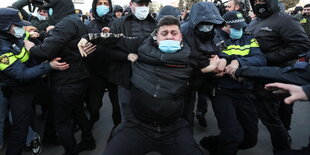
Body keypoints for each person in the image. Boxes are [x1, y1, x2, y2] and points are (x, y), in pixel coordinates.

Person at [78, 15, 220, 155]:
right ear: (156, 36)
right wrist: (87, 37)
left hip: (174, 129)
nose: (169, 37)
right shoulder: (141, 44)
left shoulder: (190, 54)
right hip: (137, 127)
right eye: (164, 33)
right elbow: (115, 39)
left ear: (181, 36)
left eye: (174, 33)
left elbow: (216, 60)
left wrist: (216, 65)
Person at [239, 0, 310, 153]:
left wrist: (267, 58)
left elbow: (301, 45)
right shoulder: (254, 22)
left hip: (280, 74)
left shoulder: (286, 20)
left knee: (272, 115)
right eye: (256, 1)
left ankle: (282, 147)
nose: (259, 3)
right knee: (275, 113)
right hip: (258, 74)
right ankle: (284, 137)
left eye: (262, 0)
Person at [23, 0, 93, 154]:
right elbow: (62, 37)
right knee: (78, 112)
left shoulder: (66, 23)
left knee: (61, 122)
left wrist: (31, 47)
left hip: (66, 80)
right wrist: (41, 34)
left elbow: (45, 51)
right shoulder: (74, 20)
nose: (48, 14)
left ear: (58, 9)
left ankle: (71, 151)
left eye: (50, 11)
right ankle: (89, 140)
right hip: (78, 77)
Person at [0, 8, 69, 155]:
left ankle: (50, 135)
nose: (21, 27)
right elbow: (22, 75)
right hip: (19, 91)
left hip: (35, 83)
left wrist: (49, 35)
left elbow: (35, 40)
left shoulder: (16, 35)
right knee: (20, 131)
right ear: (5, 26)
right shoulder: (2, 49)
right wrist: (48, 66)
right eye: (16, 25)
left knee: (55, 102)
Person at [200, 10, 266, 155]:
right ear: (224, 26)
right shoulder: (213, 38)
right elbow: (213, 59)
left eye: (242, 27)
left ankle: (212, 143)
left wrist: (238, 62)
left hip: (245, 90)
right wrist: (221, 64)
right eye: (235, 28)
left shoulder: (248, 37)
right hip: (222, 90)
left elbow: (260, 59)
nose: (240, 31)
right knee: (232, 136)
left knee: (250, 139)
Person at [107, 0, 156, 123]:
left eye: (146, 4)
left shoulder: (156, 24)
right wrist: (126, 56)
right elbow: (107, 50)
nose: (143, 7)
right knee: (128, 116)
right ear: (131, 4)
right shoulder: (118, 24)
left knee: (149, 115)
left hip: (150, 79)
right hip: (126, 78)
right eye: (140, 4)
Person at [181, 1, 225, 127]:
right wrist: (210, 65)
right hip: (190, 77)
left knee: (203, 95)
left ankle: (201, 111)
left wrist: (223, 59)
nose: (207, 27)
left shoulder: (214, 31)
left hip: (207, 77)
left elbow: (222, 49)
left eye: (210, 24)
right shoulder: (184, 31)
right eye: (203, 24)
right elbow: (187, 56)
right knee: (186, 111)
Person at [85, 0, 121, 137]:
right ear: (94, 5)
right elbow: (83, 47)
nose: (103, 6)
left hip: (115, 72)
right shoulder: (89, 25)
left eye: (106, 3)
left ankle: (118, 135)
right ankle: (90, 127)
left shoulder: (117, 24)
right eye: (99, 3)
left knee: (117, 108)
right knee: (94, 107)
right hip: (96, 73)